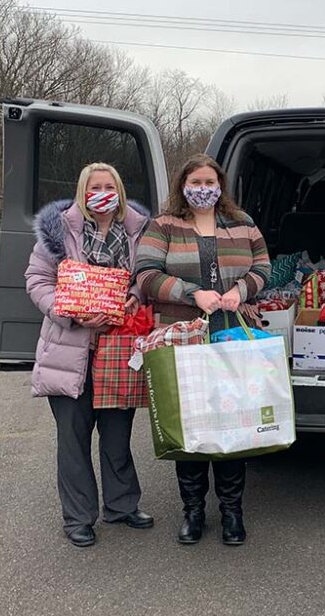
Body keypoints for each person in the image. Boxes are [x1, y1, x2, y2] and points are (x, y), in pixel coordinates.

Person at [134, 154, 270, 547]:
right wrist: (193, 293)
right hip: (181, 334)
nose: (203, 188)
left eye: (210, 181)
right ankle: (192, 511)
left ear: (220, 185)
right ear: (182, 185)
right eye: (195, 181)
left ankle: (232, 512)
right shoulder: (163, 225)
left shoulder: (242, 224)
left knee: (232, 421)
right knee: (189, 424)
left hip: (232, 333)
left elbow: (262, 267)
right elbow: (146, 275)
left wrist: (238, 291)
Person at [25, 162, 153, 548]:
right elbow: (37, 280)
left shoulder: (140, 232)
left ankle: (122, 504)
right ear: (83, 191)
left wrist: (137, 296)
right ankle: (79, 517)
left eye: (109, 185)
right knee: (73, 437)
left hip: (119, 348)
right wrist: (67, 311)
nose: (102, 192)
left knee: (118, 434)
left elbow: (148, 277)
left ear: (120, 190)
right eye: (94, 186)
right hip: (70, 348)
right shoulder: (59, 232)